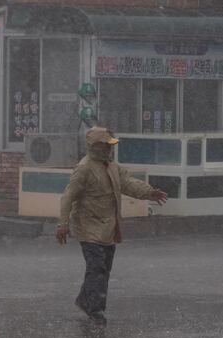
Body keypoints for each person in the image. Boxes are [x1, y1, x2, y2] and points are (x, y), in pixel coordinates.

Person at [56, 127, 168, 326]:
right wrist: (62, 224)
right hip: (88, 227)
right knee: (96, 267)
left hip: (108, 227)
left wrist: (149, 193)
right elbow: (68, 197)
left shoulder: (111, 166)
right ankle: (95, 308)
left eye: (111, 144)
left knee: (104, 268)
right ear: (96, 146)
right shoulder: (84, 168)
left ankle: (85, 300)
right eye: (107, 144)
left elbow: (128, 183)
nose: (110, 148)